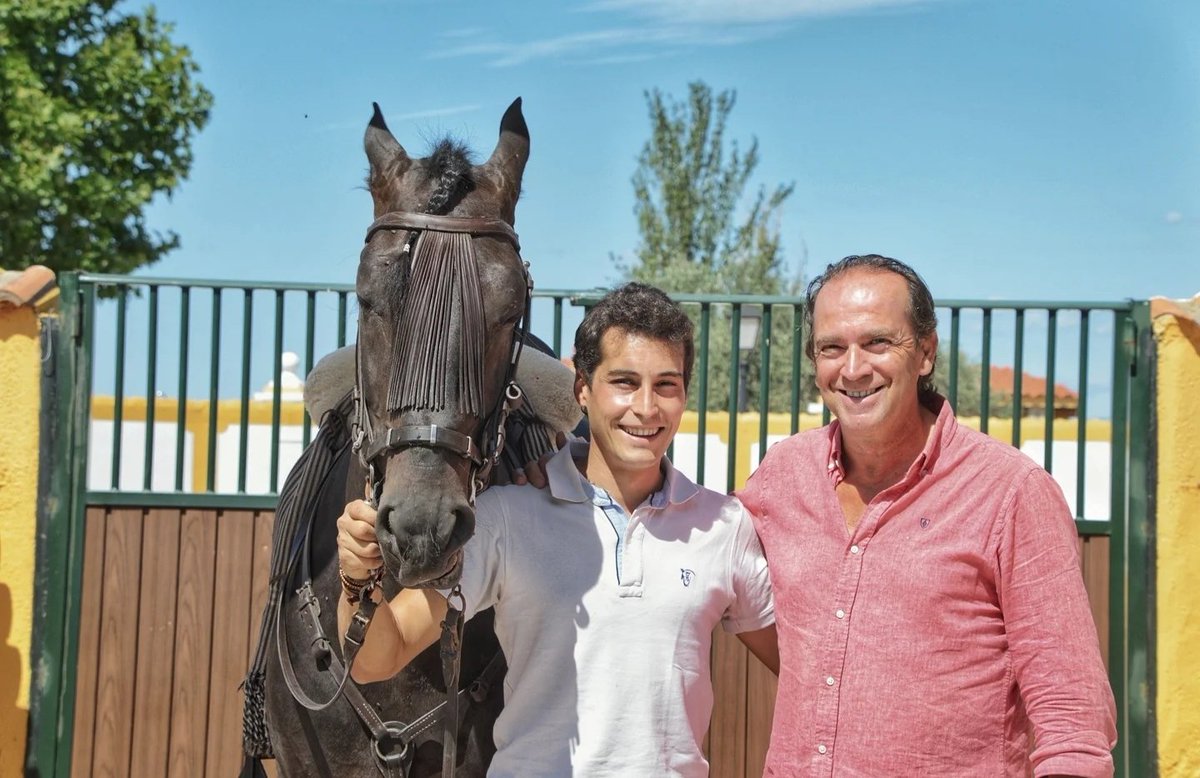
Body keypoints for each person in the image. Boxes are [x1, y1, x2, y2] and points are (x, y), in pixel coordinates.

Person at [336, 282, 777, 777]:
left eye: (667, 385)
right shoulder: (505, 518)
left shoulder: (723, 525)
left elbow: (806, 667)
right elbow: (378, 657)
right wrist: (357, 580)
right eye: (625, 382)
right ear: (583, 390)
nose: (647, 407)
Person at [739, 254, 1117, 777]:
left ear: (926, 352)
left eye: (877, 343)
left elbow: (1071, 713)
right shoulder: (784, 473)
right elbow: (700, 550)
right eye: (832, 348)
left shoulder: (1012, 492)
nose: (852, 368)